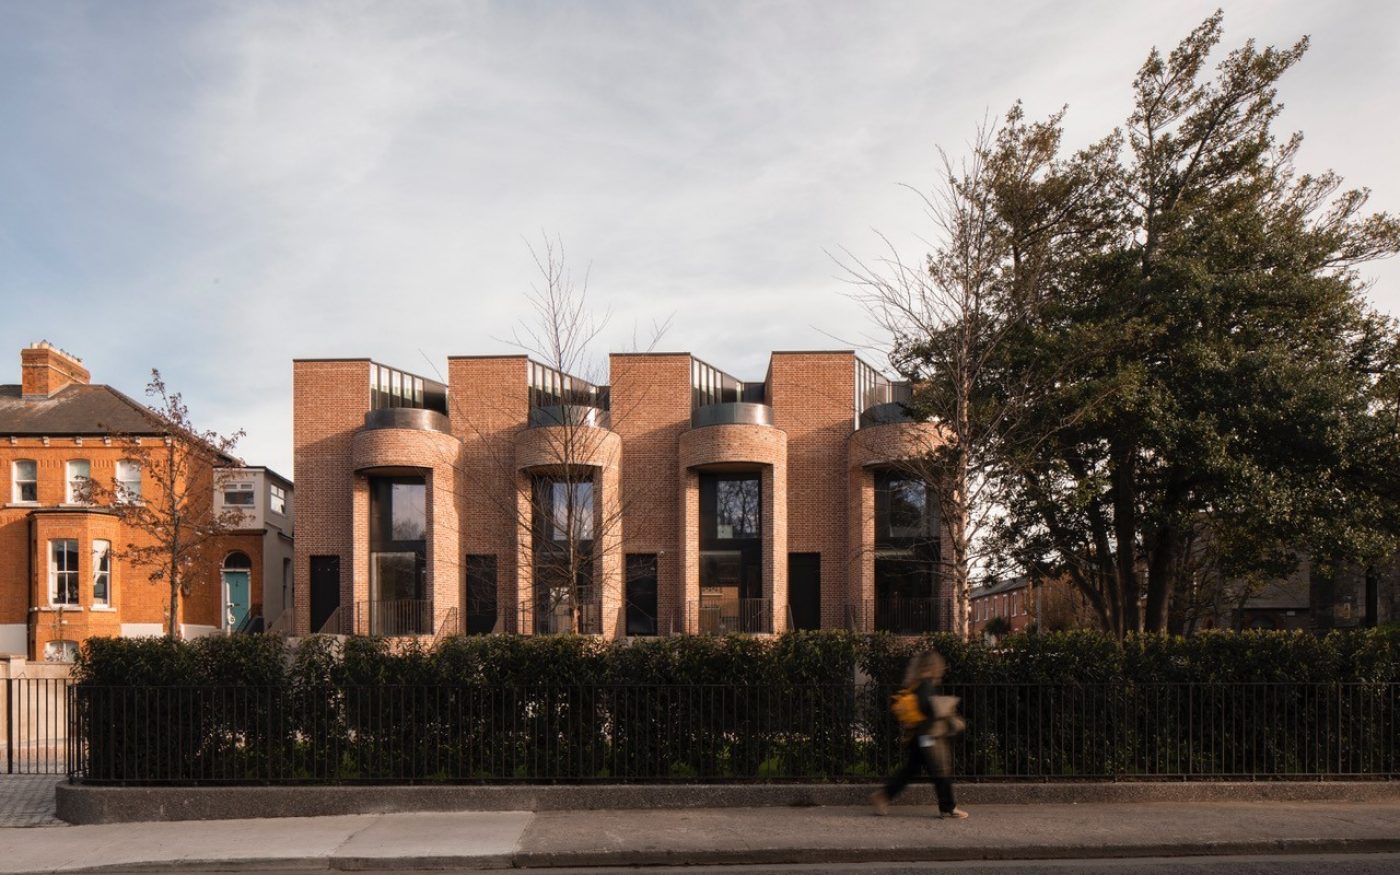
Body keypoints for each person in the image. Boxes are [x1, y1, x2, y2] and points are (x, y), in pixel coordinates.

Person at [870, 650, 968, 819]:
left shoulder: (915, 683)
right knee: (940, 769)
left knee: (911, 769)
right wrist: (942, 712)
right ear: (934, 666)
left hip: (918, 736)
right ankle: (948, 807)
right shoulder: (927, 684)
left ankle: (883, 796)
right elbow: (925, 707)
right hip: (928, 736)